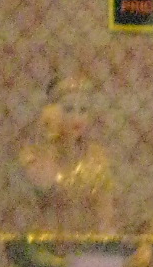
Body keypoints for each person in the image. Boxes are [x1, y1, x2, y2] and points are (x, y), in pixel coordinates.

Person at [18, 75, 117, 234]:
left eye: (83, 110)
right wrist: (48, 135)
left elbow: (104, 212)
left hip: (87, 239)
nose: (77, 118)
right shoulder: (34, 156)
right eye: (68, 109)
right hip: (46, 239)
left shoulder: (97, 157)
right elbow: (43, 186)